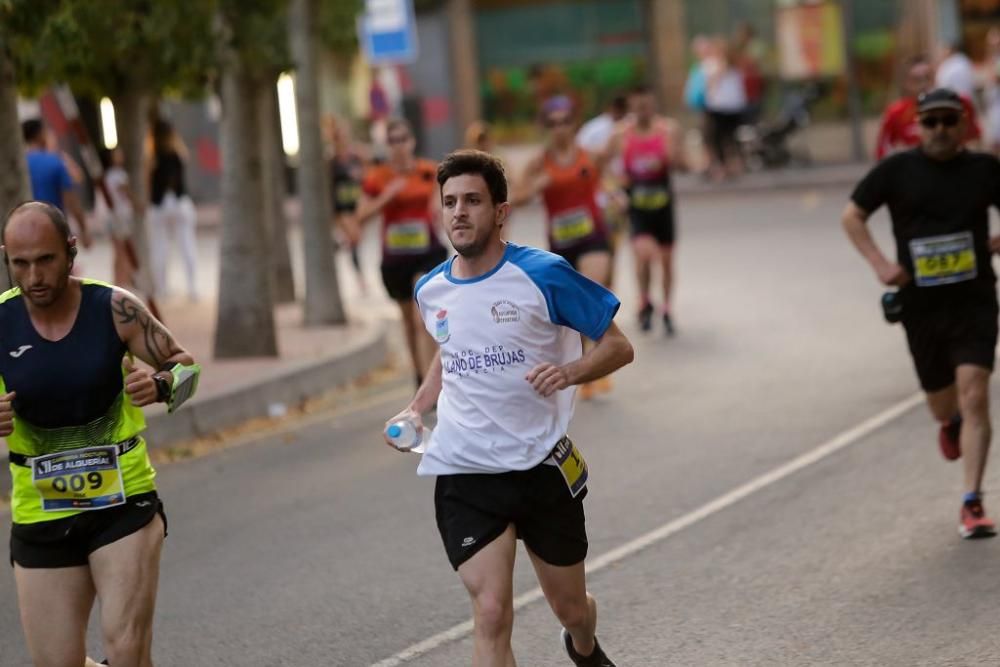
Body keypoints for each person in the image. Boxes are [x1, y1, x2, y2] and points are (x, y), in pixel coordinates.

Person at [386, 149, 633, 666]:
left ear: (500, 211)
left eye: (472, 200)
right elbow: (450, 352)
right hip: (467, 470)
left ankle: (583, 645)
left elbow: (618, 346)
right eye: (449, 201)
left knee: (570, 608)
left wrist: (569, 372)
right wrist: (416, 408)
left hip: (540, 466)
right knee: (492, 611)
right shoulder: (431, 290)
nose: (458, 212)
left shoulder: (544, 274)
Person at [0, 201, 200, 665]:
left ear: (70, 252)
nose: (34, 277)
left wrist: (162, 384)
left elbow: (189, 366)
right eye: (20, 263)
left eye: (45, 259)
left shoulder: (114, 307)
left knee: (126, 650)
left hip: (123, 501)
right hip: (41, 510)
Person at [842, 88, 1000, 539]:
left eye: (950, 120)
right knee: (944, 401)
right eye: (931, 121)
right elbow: (852, 216)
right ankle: (948, 422)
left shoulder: (985, 169)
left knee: (975, 394)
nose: (940, 130)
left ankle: (972, 501)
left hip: (974, 299)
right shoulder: (896, 170)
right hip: (920, 307)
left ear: (964, 125)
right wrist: (880, 264)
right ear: (918, 126)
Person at [512, 95, 616, 398]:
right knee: (572, 312)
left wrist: (615, 196)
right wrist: (536, 186)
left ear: (574, 124)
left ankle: (598, 366)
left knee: (590, 293)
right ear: (546, 127)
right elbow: (515, 197)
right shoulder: (538, 162)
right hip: (561, 245)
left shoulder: (591, 156)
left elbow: (610, 179)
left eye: (565, 122)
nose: (560, 128)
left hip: (594, 236)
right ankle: (585, 368)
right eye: (553, 123)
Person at [355, 118, 446, 388]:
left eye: (403, 139)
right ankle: (420, 377)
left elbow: (443, 193)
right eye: (393, 141)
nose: (399, 146)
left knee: (422, 317)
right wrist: (386, 196)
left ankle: (434, 383)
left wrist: (438, 204)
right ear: (387, 145)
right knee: (408, 321)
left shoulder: (429, 171)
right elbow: (361, 215)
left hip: (427, 253)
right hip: (395, 260)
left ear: (412, 142)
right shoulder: (378, 177)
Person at [604, 85, 686, 335]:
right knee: (643, 255)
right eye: (638, 107)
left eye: (648, 106)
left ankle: (668, 308)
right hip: (636, 207)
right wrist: (615, 191)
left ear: (654, 105)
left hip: (664, 205)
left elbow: (683, 163)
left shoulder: (668, 130)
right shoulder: (620, 135)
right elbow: (602, 166)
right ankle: (644, 298)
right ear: (630, 108)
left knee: (666, 260)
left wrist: (674, 156)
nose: (644, 111)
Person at [875, 55, 980, 160]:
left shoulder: (958, 104)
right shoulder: (896, 112)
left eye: (928, 77)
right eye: (917, 80)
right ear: (907, 83)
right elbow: (883, 152)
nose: (924, 84)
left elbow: (975, 141)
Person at [21, 119, 91, 249]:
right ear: (40, 134)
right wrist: (84, 229)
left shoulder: (16, 166)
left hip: (22, 232)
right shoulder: (55, 162)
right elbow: (71, 199)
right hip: (53, 229)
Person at [148, 119, 198, 302]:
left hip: (159, 203)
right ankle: (192, 287)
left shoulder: (153, 156)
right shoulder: (178, 153)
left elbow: (149, 181)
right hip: (179, 201)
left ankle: (162, 288)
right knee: (187, 244)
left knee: (160, 247)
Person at [329, 117, 369, 295]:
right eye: (340, 136)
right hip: (342, 206)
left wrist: (360, 173)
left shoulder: (356, 155)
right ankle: (361, 279)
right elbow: (329, 185)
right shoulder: (332, 159)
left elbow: (368, 175)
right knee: (353, 239)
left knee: (356, 240)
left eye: (345, 135)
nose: (343, 139)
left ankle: (338, 245)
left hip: (358, 204)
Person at [101, 147, 139, 287]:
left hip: (114, 217)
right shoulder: (118, 175)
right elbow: (125, 191)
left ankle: (120, 279)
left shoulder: (107, 176)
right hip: (120, 217)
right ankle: (123, 280)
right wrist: (138, 204)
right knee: (123, 250)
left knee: (118, 251)